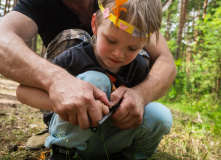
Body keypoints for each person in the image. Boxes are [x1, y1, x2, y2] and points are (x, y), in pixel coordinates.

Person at [0, 0, 176, 151]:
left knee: (159, 113)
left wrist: (140, 95)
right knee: (88, 65)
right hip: (69, 114)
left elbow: (166, 60)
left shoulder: (127, 5)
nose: (118, 53)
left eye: (132, 48)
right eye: (111, 40)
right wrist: (58, 82)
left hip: (114, 128)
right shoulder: (39, 5)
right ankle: (63, 142)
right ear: (95, 24)